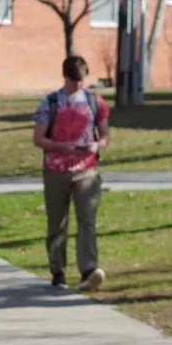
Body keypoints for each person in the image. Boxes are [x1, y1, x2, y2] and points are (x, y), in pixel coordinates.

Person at [33, 54, 110, 292]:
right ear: (64, 76)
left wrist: (97, 145)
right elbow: (38, 139)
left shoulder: (95, 101)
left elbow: (105, 135)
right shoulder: (50, 103)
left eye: (81, 80)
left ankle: (89, 270)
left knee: (87, 221)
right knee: (57, 223)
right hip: (55, 170)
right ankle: (58, 272)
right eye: (74, 80)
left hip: (87, 171)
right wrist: (60, 147)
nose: (78, 84)